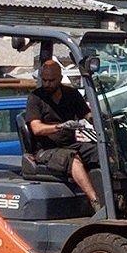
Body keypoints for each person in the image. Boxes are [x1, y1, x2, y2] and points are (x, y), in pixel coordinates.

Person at [25, 60, 101, 212]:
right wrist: (60, 126)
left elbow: (86, 114)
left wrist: (99, 119)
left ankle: (113, 194)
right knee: (73, 159)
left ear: (60, 78)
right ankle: (96, 202)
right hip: (46, 150)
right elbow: (36, 128)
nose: (47, 84)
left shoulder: (71, 94)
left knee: (102, 152)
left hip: (70, 144)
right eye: (44, 80)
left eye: (51, 80)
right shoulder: (35, 98)